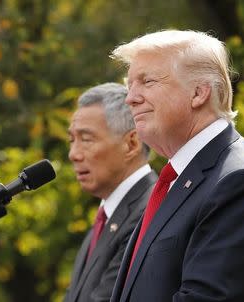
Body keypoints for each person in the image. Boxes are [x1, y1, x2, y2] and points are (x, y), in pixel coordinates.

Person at [109, 30, 244, 302]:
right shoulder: (179, 181)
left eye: (146, 82)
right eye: (129, 85)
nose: (131, 98)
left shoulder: (241, 182)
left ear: (199, 92)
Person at [64, 83, 157, 302]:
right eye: (71, 140)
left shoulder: (150, 210)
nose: (73, 154)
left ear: (131, 143)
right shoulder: (107, 216)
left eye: (86, 139)